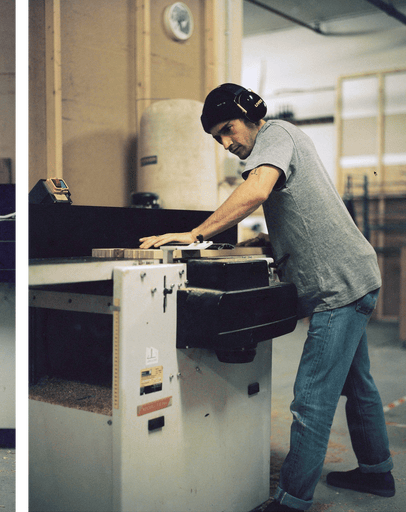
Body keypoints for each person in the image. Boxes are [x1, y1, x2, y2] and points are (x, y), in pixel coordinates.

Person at [140, 84, 394, 512]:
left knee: (311, 398)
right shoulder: (279, 142)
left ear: (250, 114)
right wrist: (269, 240)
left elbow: (258, 191)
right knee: (358, 383)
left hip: (339, 288)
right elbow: (296, 211)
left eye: (228, 129)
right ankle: (377, 472)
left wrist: (196, 233)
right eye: (217, 137)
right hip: (355, 277)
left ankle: (291, 501)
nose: (226, 142)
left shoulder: (276, 134)